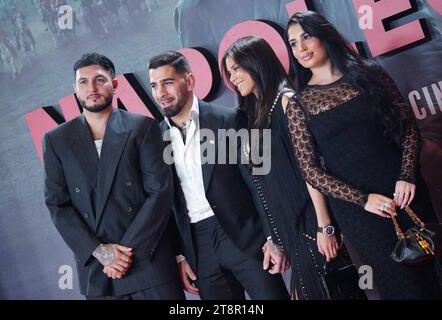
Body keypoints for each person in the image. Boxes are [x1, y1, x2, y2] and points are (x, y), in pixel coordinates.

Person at [285, 11, 442, 299]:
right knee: (403, 288)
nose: (300, 49)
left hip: (407, 194)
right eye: (293, 43)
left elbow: (407, 127)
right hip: (362, 214)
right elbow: (311, 171)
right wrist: (363, 200)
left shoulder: (370, 75)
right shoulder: (300, 104)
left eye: (306, 37)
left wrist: (407, 177)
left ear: (324, 35)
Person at [221, 36, 357, 300]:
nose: (232, 77)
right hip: (292, 237)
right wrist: (274, 240)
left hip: (311, 229)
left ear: (256, 62)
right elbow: (262, 187)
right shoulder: (254, 115)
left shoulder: (287, 102)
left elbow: (311, 168)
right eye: (229, 72)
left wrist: (325, 227)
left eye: (237, 68)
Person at [148, 51, 289, 300]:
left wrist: (273, 236)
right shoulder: (154, 140)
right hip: (198, 246)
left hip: (245, 236)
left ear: (189, 82)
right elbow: (164, 205)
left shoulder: (230, 120)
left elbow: (257, 183)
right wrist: (180, 254)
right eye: (154, 86)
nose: (161, 93)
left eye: (168, 82)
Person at [43, 53, 184, 300]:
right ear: (75, 89)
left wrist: (123, 255)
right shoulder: (57, 140)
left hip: (149, 266)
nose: (92, 88)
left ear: (115, 84)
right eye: (84, 82)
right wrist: (100, 252)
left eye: (99, 80)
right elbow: (58, 204)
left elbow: (160, 193)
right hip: (98, 272)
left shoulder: (142, 127)